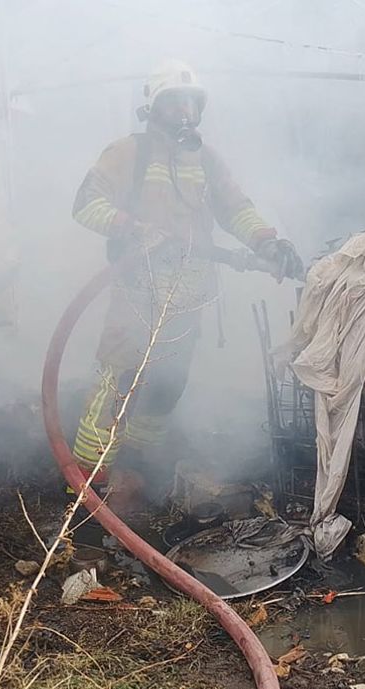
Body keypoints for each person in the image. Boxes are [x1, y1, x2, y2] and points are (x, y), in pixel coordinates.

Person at [70, 60, 302, 485]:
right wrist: (131, 227)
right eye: (176, 103)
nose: (185, 115)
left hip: (189, 295)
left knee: (167, 386)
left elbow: (236, 209)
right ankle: (88, 484)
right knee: (120, 380)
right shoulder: (128, 153)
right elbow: (86, 204)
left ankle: (136, 469)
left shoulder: (205, 161)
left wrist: (266, 241)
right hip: (138, 294)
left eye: (192, 105)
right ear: (154, 108)